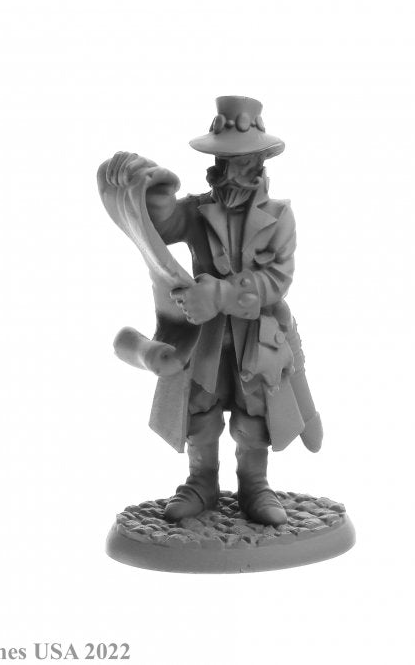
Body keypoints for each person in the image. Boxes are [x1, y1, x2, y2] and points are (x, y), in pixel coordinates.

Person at [99, 96, 322, 526]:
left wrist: (223, 294)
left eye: (239, 161)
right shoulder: (199, 209)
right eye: (222, 160)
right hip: (205, 339)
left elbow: (278, 279)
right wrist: (153, 188)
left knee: (254, 415)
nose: (228, 170)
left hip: (256, 338)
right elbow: (163, 225)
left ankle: (254, 485)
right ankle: (201, 482)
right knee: (200, 410)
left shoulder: (279, 217)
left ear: (258, 163)